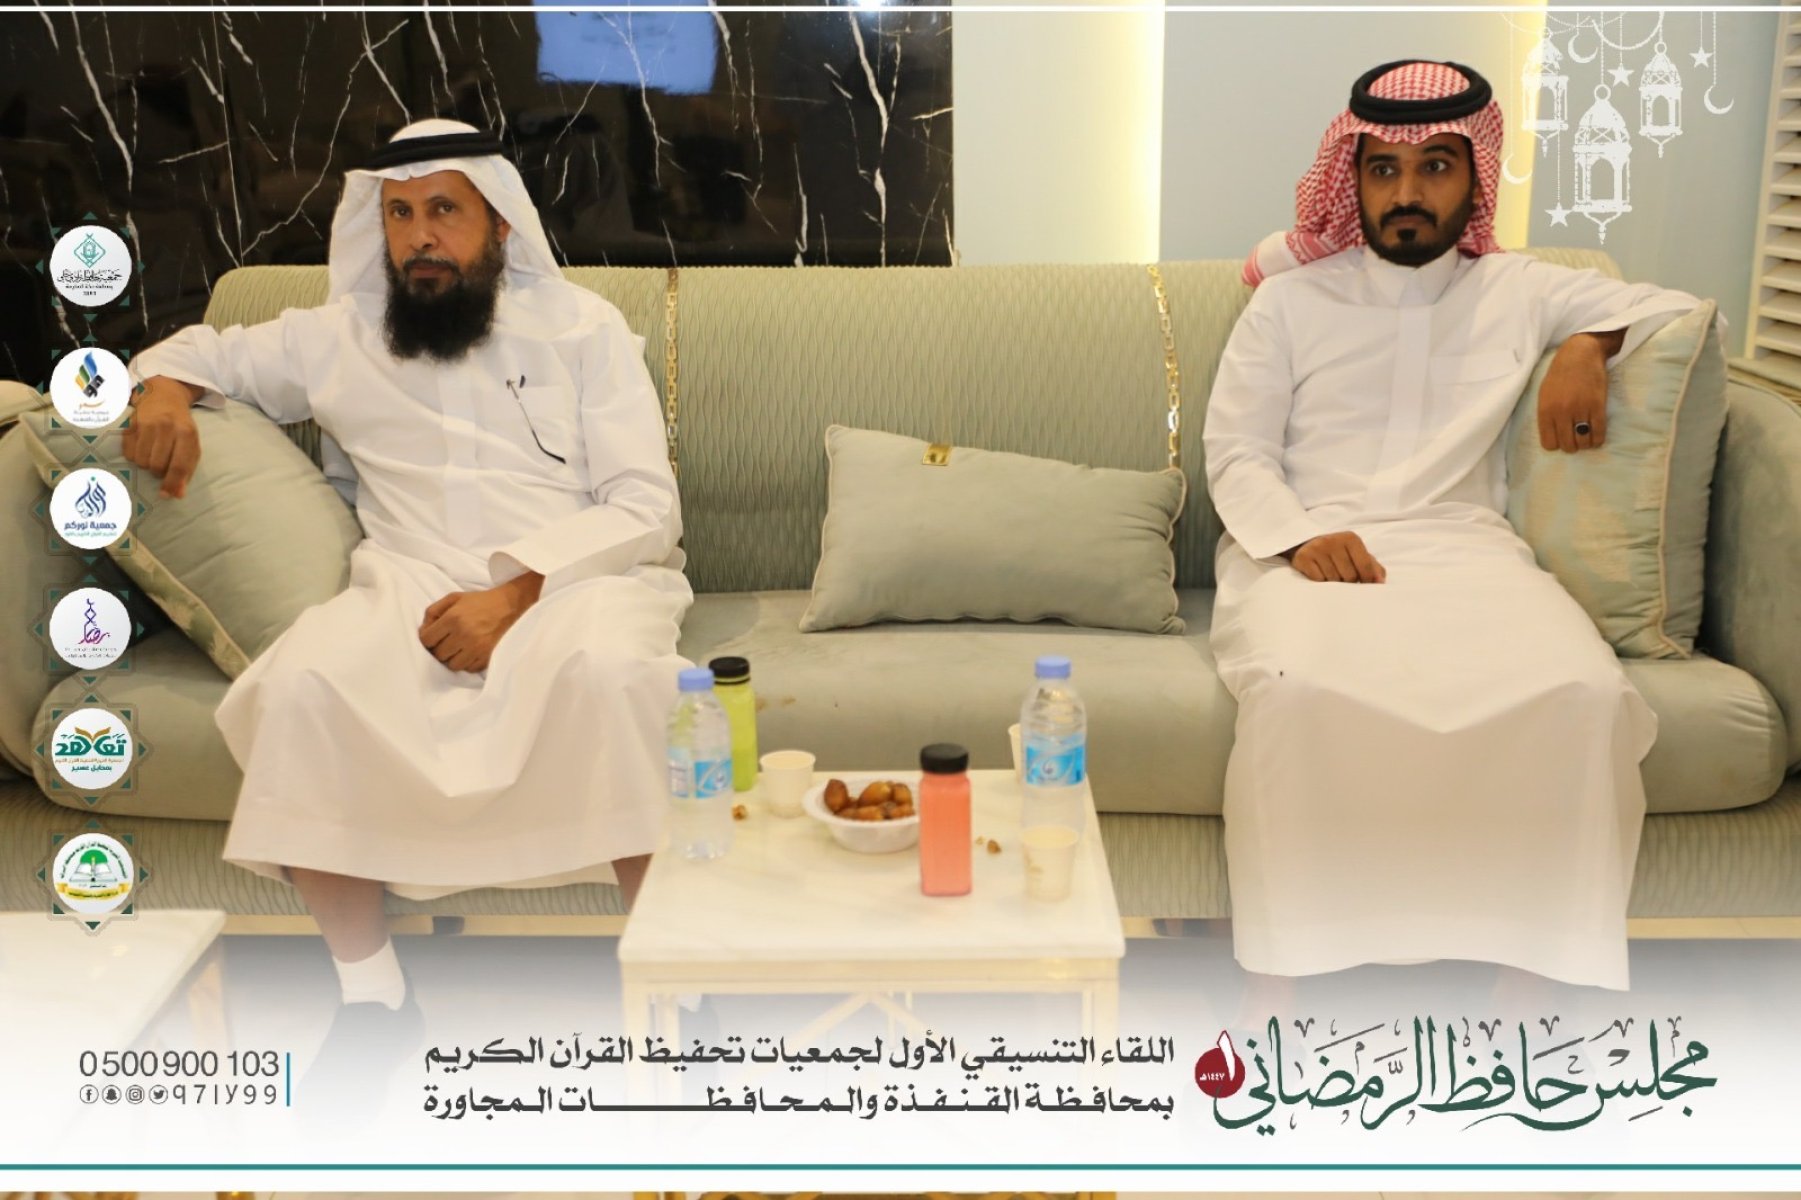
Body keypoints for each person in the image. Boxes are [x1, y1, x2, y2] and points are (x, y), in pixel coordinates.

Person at [123, 119, 690, 1046]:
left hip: (576, 578)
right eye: (399, 215)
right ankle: (372, 998)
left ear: (498, 222)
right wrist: (161, 391)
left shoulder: (581, 329)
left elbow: (645, 506)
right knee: (302, 684)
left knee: (615, 679)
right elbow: (195, 351)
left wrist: (516, 595)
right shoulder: (339, 336)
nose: (420, 236)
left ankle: (676, 991)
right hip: (408, 583)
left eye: (443, 211)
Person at [1205, 61, 1704, 990]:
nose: (1407, 192)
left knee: (1582, 693)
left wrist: (1586, 347)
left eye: (1435, 166)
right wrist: (1298, 538)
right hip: (1303, 553)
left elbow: (1671, 308)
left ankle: (1531, 988)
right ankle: (1285, 984)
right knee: (1298, 692)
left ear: (1474, 176)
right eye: (1383, 170)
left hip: (1469, 553)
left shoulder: (1519, 290)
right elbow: (1236, 451)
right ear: (1351, 180)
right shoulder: (1289, 302)